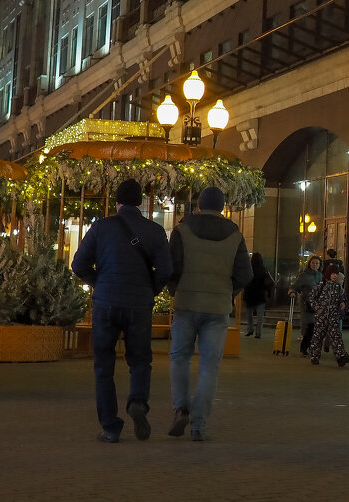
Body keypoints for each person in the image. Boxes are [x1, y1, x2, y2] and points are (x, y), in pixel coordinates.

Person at [71, 179, 172, 444]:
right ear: (141, 202)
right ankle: (137, 401)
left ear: (116, 202)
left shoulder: (101, 227)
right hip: (139, 304)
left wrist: (98, 282)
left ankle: (110, 427)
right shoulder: (155, 231)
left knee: (103, 366)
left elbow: (78, 264)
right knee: (140, 360)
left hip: (106, 302)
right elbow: (166, 270)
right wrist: (151, 289)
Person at [167, 186, 253, 441]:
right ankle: (199, 424)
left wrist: (176, 289)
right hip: (217, 309)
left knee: (179, 358)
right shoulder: (235, 234)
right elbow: (245, 274)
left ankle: (181, 408)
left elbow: (172, 266)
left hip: (186, 304)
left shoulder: (182, 230)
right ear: (222, 206)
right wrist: (228, 292)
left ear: (199, 205)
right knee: (209, 367)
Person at [307, 267, 349, 366]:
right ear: (328, 274)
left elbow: (342, 298)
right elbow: (311, 297)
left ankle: (341, 356)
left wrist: (342, 303)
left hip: (333, 315)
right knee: (318, 336)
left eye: (336, 274)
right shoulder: (321, 285)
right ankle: (314, 356)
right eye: (333, 274)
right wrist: (317, 308)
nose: (335, 276)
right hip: (321, 316)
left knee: (336, 336)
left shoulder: (338, 287)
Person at [289, 255, 323, 355]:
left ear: (320, 265)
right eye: (313, 263)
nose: (315, 265)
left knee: (316, 327)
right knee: (311, 325)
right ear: (309, 264)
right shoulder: (304, 275)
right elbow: (294, 286)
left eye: (317, 263)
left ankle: (309, 347)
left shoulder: (320, 275)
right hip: (307, 304)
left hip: (317, 304)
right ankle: (305, 347)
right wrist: (292, 292)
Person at [243, 252, 273, 337]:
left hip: (250, 295)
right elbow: (267, 283)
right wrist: (268, 293)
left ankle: (250, 329)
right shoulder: (263, 269)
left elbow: (245, 281)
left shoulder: (249, 268)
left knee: (249, 315)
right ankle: (258, 333)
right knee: (260, 317)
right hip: (260, 296)